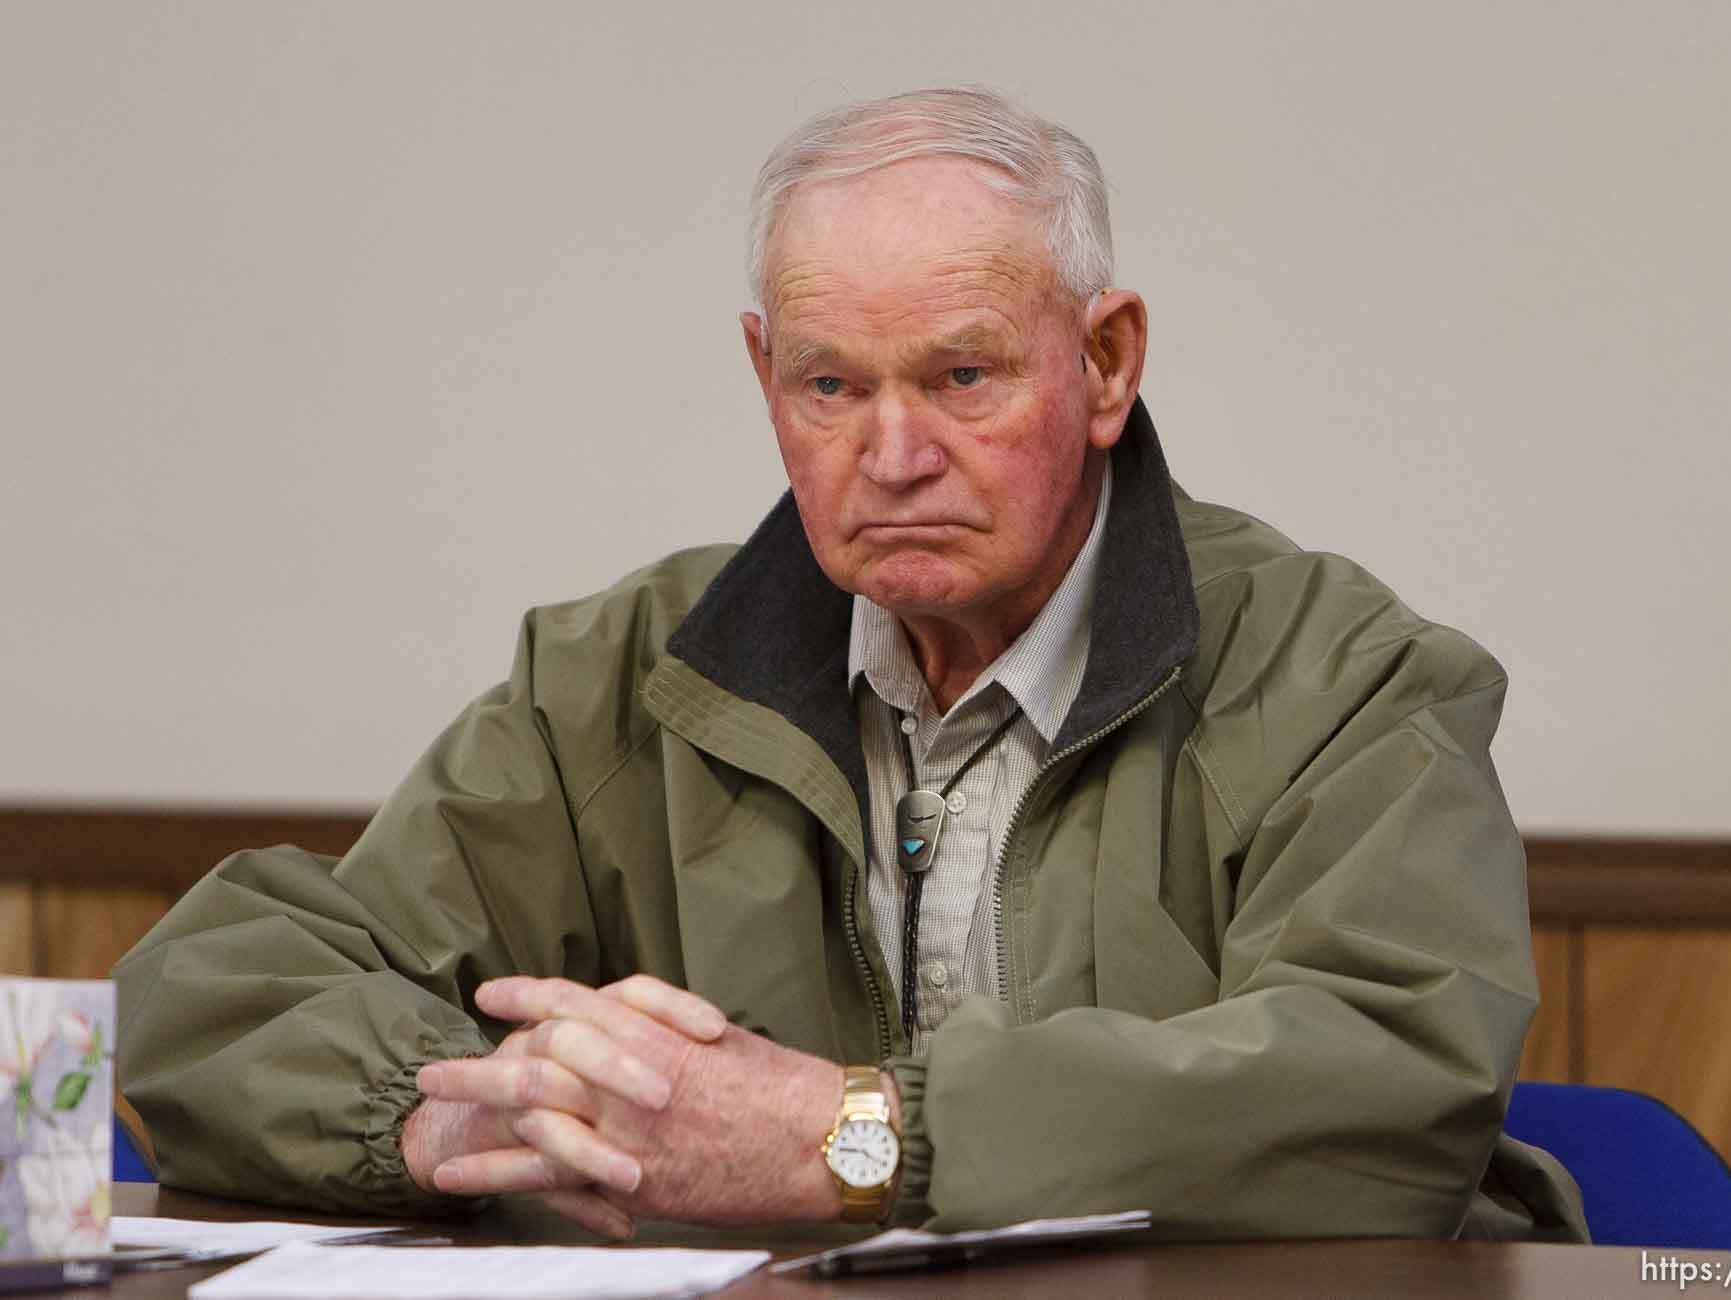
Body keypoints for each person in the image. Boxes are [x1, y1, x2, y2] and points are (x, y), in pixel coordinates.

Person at [114, 87, 1586, 1244]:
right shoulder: (614, 680)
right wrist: (453, 1122)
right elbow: (220, 990)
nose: (890, 455)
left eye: (960, 377)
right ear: (764, 376)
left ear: (1107, 364)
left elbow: (1385, 1089)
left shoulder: (1340, 674)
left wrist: (850, 1135)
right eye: (830, 385)